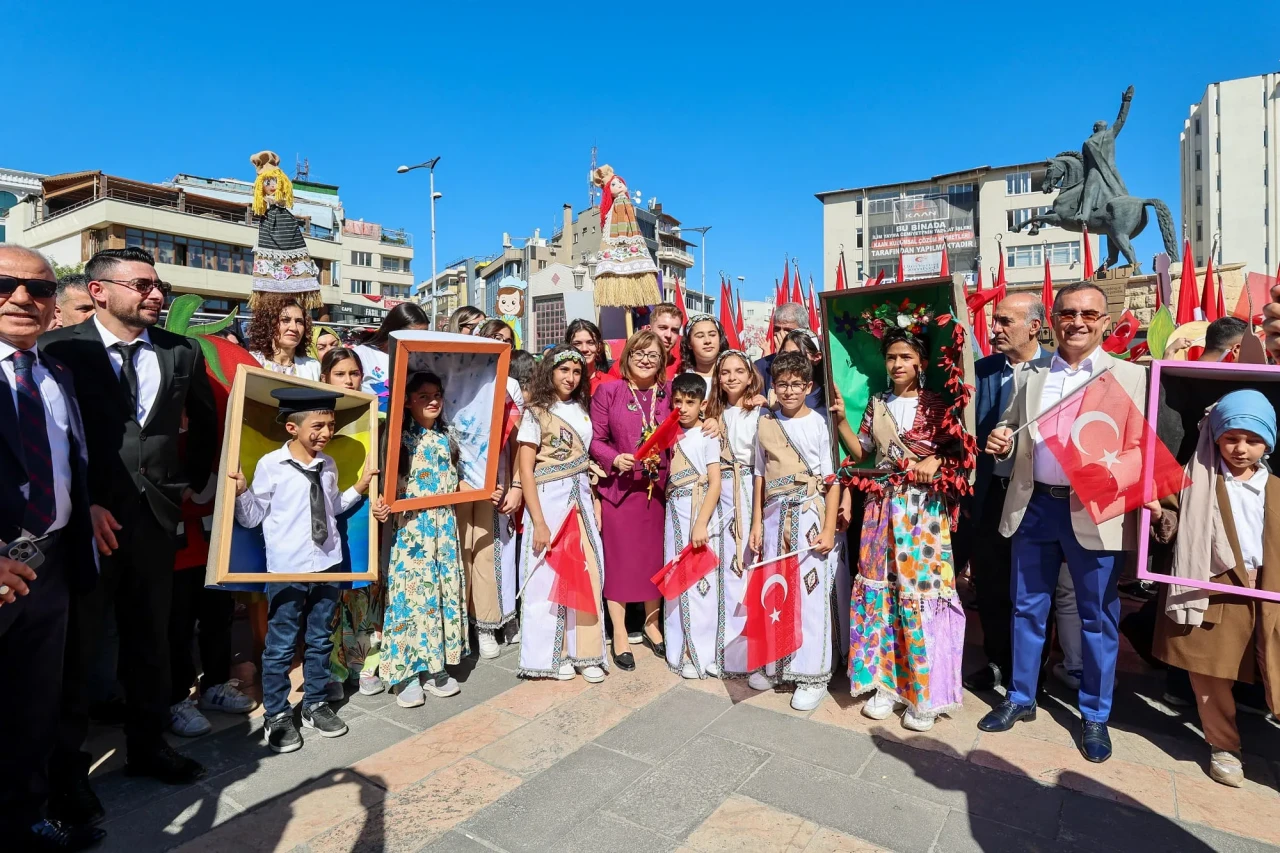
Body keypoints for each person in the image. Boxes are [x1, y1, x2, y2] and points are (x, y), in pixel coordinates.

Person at [44, 246, 216, 818]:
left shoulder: (179, 351)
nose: (156, 294)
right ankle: (66, 771)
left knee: (153, 640)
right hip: (87, 525)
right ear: (99, 291)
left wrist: (186, 483)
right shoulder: (58, 349)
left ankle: (148, 746)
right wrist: (83, 500)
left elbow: (205, 420)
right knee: (79, 650)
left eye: (157, 284)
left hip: (154, 523)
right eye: (142, 284)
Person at [979, 282, 1148, 764]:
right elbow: (1009, 426)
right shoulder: (1033, 377)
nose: (1078, 321)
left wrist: (1108, 471)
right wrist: (1001, 439)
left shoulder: (1130, 377)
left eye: (1088, 314)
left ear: (1105, 321)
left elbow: (1141, 449)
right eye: (1068, 312)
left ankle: (1094, 714)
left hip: (1093, 510)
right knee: (1026, 607)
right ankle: (1020, 696)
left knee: (1097, 617)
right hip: (1034, 506)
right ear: (1052, 319)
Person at [0, 246, 105, 852]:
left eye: (38, 289)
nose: (22, 298)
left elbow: (66, 459)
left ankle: (25, 818)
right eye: (6, 284)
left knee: (35, 705)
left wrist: (81, 503)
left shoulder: (55, 374)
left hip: (52, 563)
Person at [831, 325, 967, 732]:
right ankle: (885, 683)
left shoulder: (939, 404)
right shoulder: (877, 405)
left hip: (921, 512)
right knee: (881, 589)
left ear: (922, 363)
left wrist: (937, 462)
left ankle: (924, 692)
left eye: (906, 357)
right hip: (881, 507)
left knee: (920, 593)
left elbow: (960, 451)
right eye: (892, 357)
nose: (898, 364)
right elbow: (861, 452)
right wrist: (840, 421)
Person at [231, 388, 376, 752]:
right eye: (318, 426)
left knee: (319, 639)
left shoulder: (328, 465)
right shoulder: (270, 465)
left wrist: (358, 488)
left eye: (330, 425)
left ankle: (314, 702)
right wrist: (241, 492)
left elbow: (332, 509)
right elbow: (252, 517)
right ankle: (277, 714)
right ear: (292, 428)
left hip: (326, 563)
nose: (326, 433)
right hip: (287, 569)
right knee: (280, 645)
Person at [1151, 389, 1279, 787]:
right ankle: (1224, 746)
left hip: (1269, 587)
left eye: (1253, 440)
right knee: (1209, 674)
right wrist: (1159, 514)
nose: (1241, 449)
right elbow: (1170, 523)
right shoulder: (1193, 480)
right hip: (1212, 585)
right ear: (1216, 436)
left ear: (1269, 442)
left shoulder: (1275, 488)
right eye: (1231, 438)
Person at [961, 292, 1045, 692]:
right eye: (994, 321)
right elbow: (963, 435)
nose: (994, 329)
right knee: (992, 584)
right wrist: (983, 443)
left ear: (1034, 326)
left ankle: (1032, 672)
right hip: (989, 496)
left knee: (1033, 590)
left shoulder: (1057, 370)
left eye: (1004, 322)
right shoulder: (980, 372)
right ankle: (997, 661)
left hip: (1040, 500)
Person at [748, 352, 840, 711]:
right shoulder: (765, 422)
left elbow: (832, 479)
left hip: (807, 514)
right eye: (781, 384)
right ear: (773, 385)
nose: (788, 390)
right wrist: (756, 521)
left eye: (796, 384)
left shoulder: (818, 424)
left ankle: (811, 674)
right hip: (773, 516)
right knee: (776, 589)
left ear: (808, 386)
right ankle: (776, 664)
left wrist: (829, 528)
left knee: (809, 592)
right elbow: (759, 473)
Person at [373, 372, 469, 704]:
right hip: (412, 531)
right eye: (424, 395)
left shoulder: (446, 438)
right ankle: (406, 673)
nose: (433, 400)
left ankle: (434, 665)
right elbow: (383, 486)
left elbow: (457, 484)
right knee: (410, 596)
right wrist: (382, 508)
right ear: (407, 400)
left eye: (437, 394)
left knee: (440, 592)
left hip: (444, 528)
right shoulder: (397, 439)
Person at [515, 346, 607, 682]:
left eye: (576, 371)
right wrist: (538, 521)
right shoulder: (535, 413)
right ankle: (553, 655)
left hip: (580, 497)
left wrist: (593, 498)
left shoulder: (581, 409)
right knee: (548, 577)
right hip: (548, 501)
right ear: (550, 372)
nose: (570, 377)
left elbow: (583, 460)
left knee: (585, 573)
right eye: (563, 370)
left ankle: (586, 651)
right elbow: (526, 469)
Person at [167, 418, 256, 738]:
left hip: (213, 547)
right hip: (174, 552)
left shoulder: (214, 430)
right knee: (175, 627)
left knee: (218, 619)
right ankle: (176, 698)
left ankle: (216, 686)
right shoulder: (159, 432)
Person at [591, 330, 671, 670]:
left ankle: (652, 624)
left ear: (662, 361)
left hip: (657, 491)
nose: (645, 359)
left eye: (652, 355)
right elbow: (595, 439)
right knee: (620, 563)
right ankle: (620, 632)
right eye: (638, 352)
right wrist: (613, 458)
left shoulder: (669, 393)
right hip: (620, 491)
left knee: (655, 561)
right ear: (626, 357)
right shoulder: (609, 391)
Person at [316, 348, 385, 698]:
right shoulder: (314, 419)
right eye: (340, 373)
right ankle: (332, 671)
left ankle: (367, 664)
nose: (348, 380)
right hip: (324, 519)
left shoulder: (378, 417)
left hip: (363, 518)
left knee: (363, 591)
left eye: (354, 373)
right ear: (326, 377)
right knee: (330, 597)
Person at [457, 319, 525, 657]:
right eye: (495, 338)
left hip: (498, 477)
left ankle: (498, 621)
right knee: (466, 551)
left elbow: (516, 441)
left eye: (507, 341)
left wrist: (515, 485)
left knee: (500, 550)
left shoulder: (511, 385)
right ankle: (466, 625)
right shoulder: (459, 377)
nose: (502, 345)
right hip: (461, 480)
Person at [706, 349, 764, 677]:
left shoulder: (759, 412)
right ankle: (728, 649)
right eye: (725, 372)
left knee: (748, 569)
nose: (732, 377)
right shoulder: (714, 414)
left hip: (749, 492)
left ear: (750, 374)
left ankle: (753, 652)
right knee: (727, 572)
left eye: (739, 371)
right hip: (722, 496)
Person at [661, 372, 723, 679]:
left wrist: (701, 523)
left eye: (690, 402)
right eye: (678, 401)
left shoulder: (707, 435)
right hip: (673, 514)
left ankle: (703, 651)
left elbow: (714, 483)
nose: (683, 408)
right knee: (676, 579)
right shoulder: (669, 434)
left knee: (701, 584)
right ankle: (680, 650)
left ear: (703, 404)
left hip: (698, 513)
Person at [352, 302, 431, 411]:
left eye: (425, 334)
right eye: (414, 334)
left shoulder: (423, 358)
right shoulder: (361, 354)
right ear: (394, 330)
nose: (420, 339)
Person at [246, 298, 320, 380]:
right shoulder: (251, 361)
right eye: (285, 320)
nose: (294, 328)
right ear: (269, 324)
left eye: (299, 322)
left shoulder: (313, 366)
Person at [606, 303, 683, 381]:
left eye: (674, 330)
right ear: (649, 329)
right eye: (663, 328)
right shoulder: (626, 364)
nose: (668, 335)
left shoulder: (683, 364)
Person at [753, 302, 808, 395]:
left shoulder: (815, 362)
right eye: (777, 329)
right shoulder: (761, 366)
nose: (780, 334)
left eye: (788, 330)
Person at [777, 329, 827, 417]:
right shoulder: (775, 393)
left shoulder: (828, 396)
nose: (789, 360)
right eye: (784, 354)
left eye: (796, 355)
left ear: (816, 357)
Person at [680, 314, 728, 396]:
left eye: (712, 335)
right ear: (689, 344)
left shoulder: (733, 377)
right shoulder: (682, 380)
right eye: (700, 336)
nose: (707, 341)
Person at [566, 318, 616, 394]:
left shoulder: (612, 383)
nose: (584, 349)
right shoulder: (562, 385)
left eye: (590, 343)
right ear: (567, 347)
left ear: (599, 347)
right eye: (577, 344)